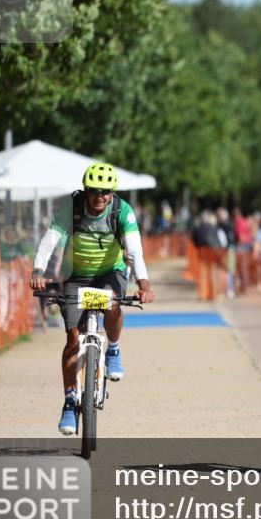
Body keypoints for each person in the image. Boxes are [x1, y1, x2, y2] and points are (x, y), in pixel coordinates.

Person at [29, 162, 156, 435]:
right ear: (85, 190)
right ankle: (69, 401)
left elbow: (135, 251)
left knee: (112, 302)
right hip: (76, 275)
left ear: (112, 193)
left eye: (106, 191)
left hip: (111, 273)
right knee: (73, 339)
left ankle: (113, 349)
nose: (100, 196)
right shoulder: (71, 207)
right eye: (94, 190)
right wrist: (38, 270)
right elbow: (50, 240)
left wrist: (143, 284)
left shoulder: (122, 211)